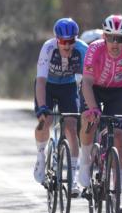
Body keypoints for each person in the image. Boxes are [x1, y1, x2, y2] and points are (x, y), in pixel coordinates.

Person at [78, 14, 122, 213]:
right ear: (104, 36)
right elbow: (87, 83)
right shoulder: (94, 49)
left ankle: (117, 194)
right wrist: (92, 108)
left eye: (120, 38)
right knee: (89, 124)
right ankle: (84, 162)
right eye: (111, 37)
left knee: (119, 138)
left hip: (116, 91)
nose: (115, 43)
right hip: (94, 88)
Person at [34, 17, 88, 197]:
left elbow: (86, 83)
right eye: (63, 42)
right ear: (57, 39)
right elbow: (40, 81)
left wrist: (88, 105)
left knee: (72, 128)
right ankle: (41, 156)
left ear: (76, 39)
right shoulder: (48, 48)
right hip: (47, 86)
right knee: (45, 121)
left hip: (68, 87)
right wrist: (42, 107)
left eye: (70, 41)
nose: (66, 46)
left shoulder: (82, 50)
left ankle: (72, 179)